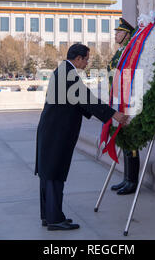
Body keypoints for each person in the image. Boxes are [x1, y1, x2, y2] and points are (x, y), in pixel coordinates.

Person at [35, 43, 128, 231]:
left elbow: (79, 101)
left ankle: (50, 215)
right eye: (86, 59)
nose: (87, 62)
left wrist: (104, 113)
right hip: (56, 132)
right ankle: (54, 219)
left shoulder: (64, 71)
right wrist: (113, 114)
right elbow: (86, 98)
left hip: (52, 130)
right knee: (54, 173)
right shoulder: (67, 75)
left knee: (49, 173)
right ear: (77, 59)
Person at [107, 18, 141, 195]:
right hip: (117, 101)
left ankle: (132, 181)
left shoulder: (130, 54)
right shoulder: (120, 53)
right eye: (116, 32)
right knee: (124, 141)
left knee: (131, 143)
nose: (116, 34)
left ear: (127, 35)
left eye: (119, 32)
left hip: (127, 103)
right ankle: (127, 178)